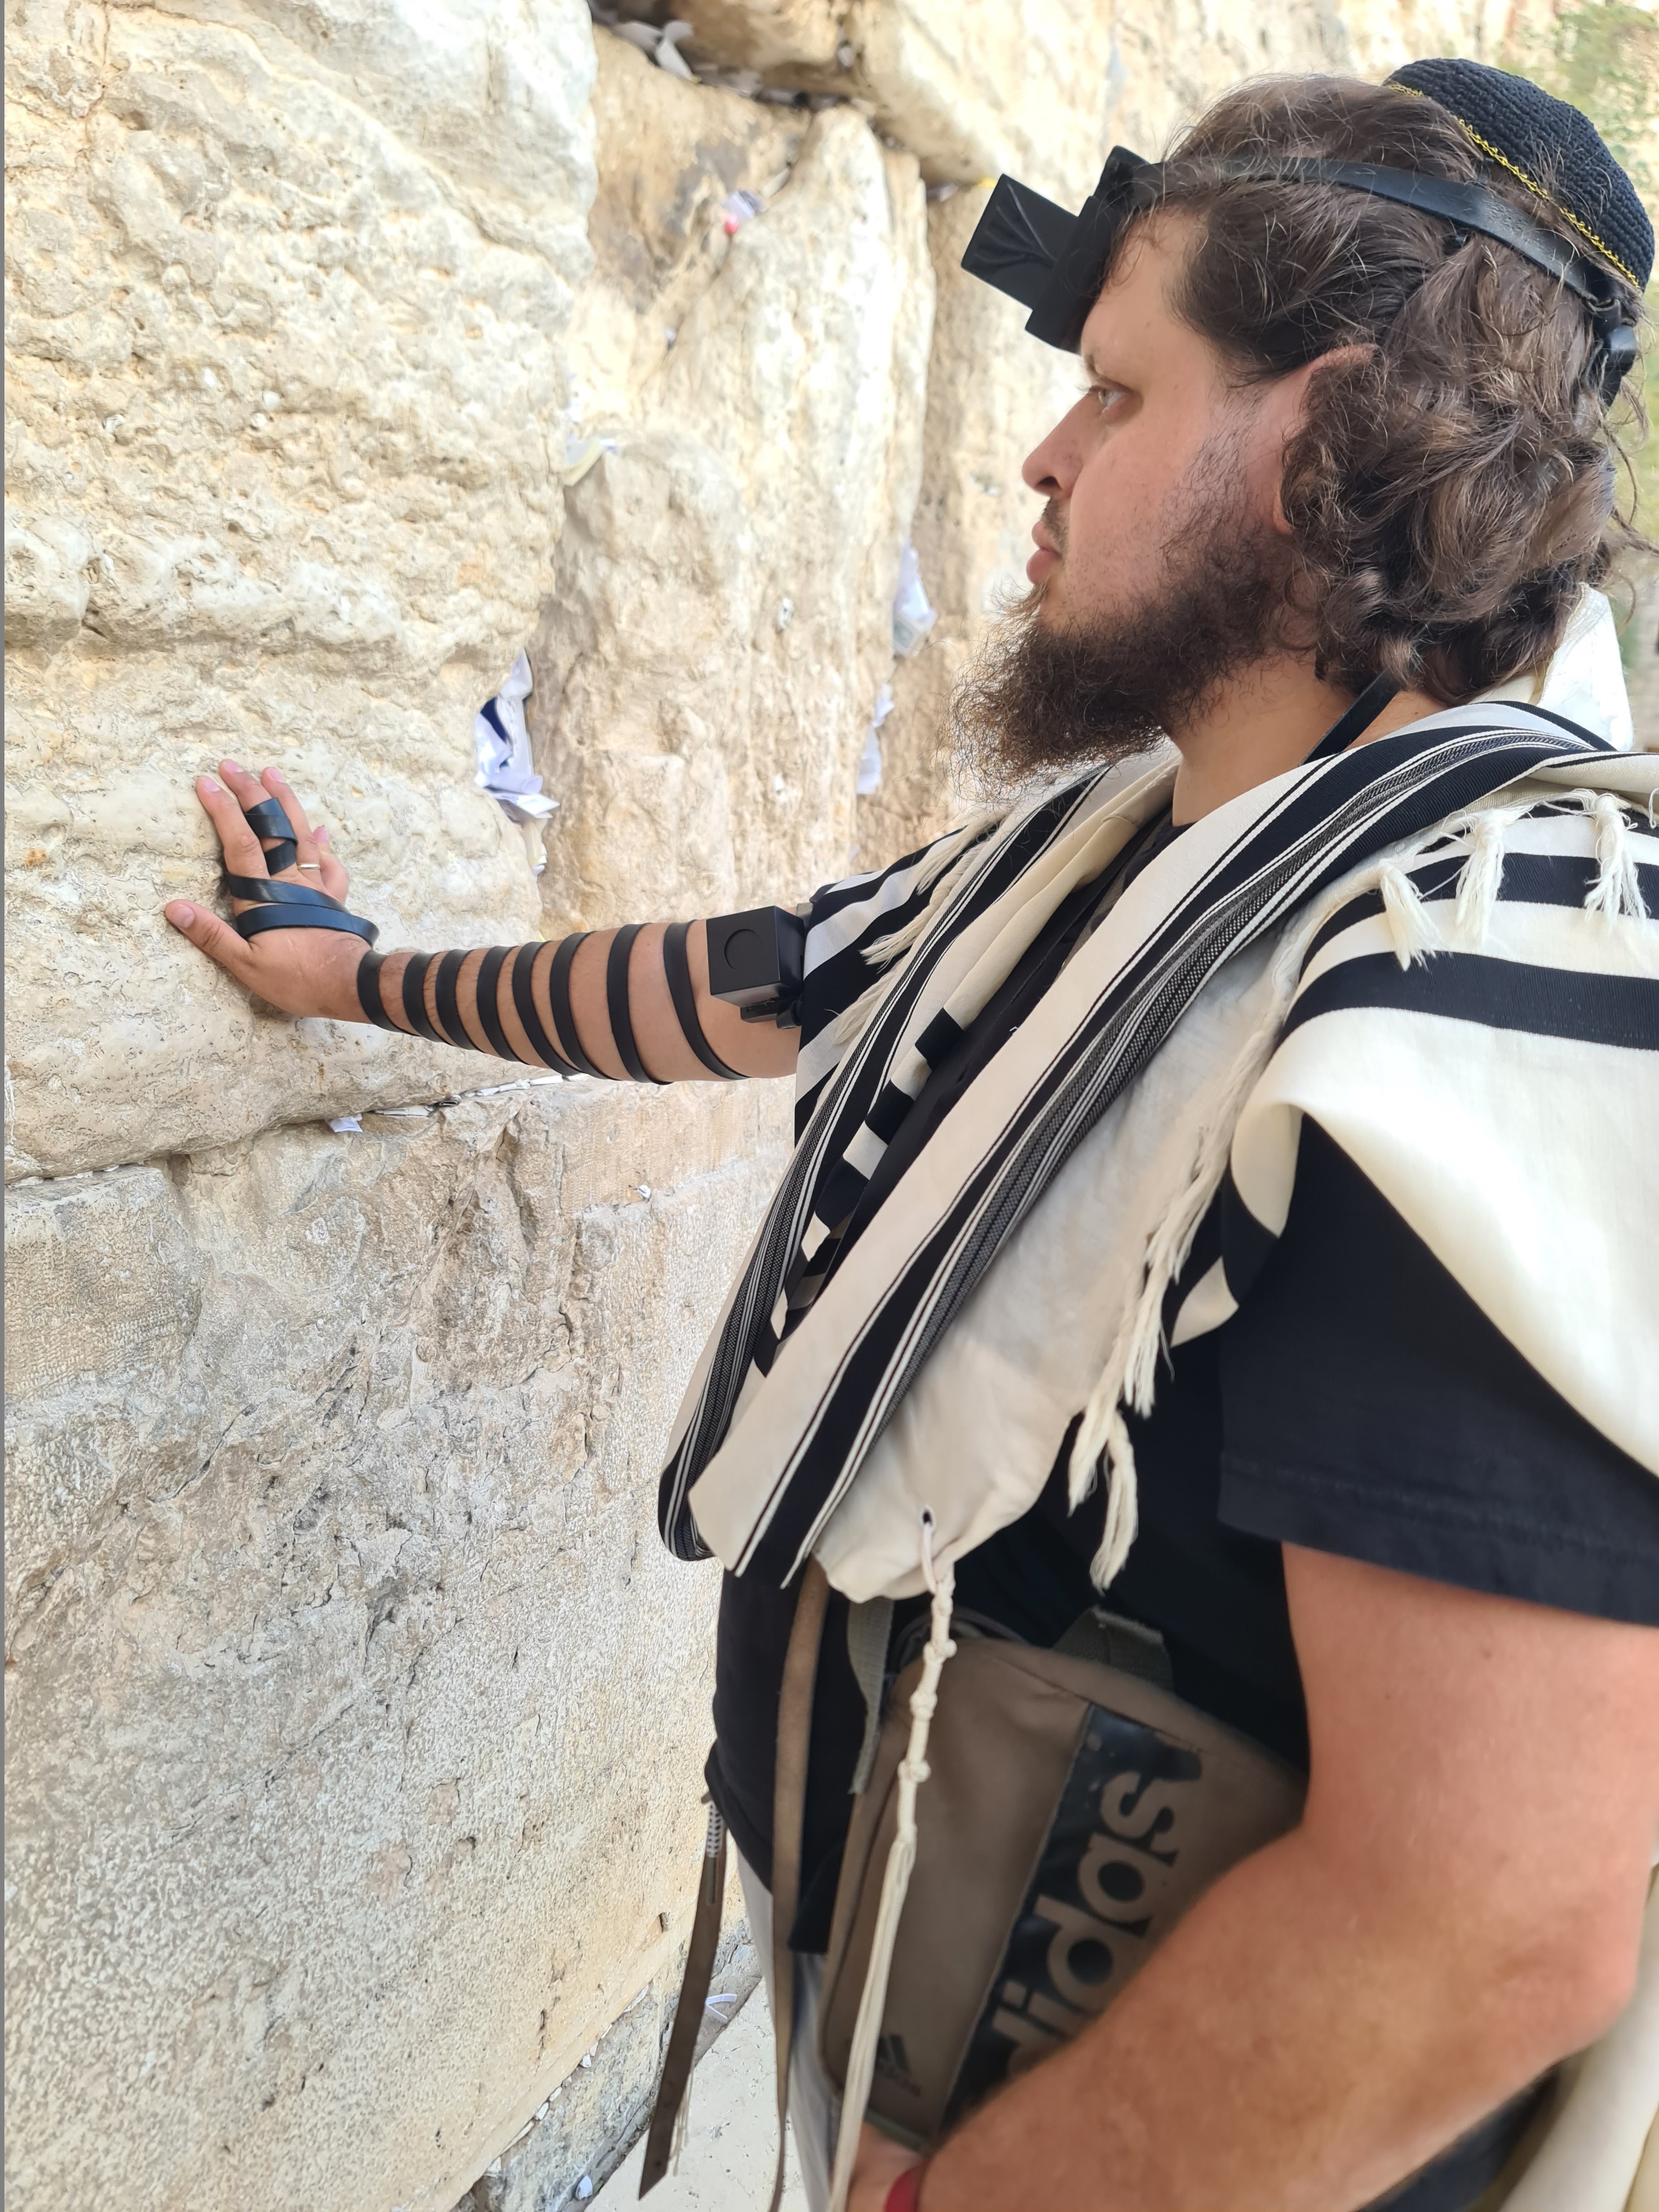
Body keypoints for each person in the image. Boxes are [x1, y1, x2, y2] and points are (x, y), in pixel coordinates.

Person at [165, 59, 1659, 2212]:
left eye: (1117, 394)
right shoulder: (1141, 855)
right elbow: (771, 979)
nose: (1043, 455)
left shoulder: (1493, 969)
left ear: (1318, 437)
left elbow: (1478, 1928)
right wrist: (365, 976)